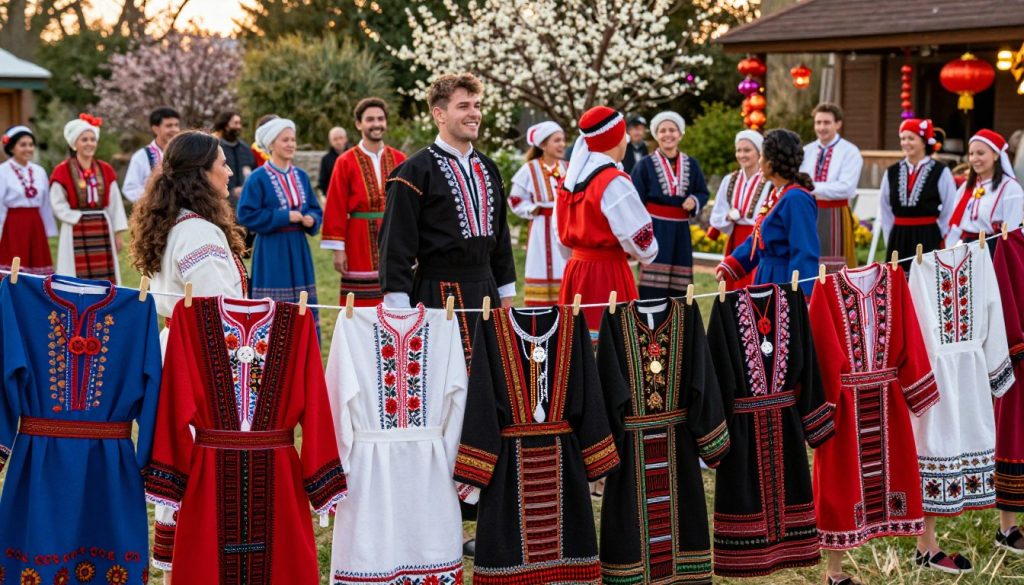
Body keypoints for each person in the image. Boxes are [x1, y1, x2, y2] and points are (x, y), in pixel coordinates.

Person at [379, 72, 516, 361]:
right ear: (439, 114)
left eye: (477, 105)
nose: (474, 114)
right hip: (436, 296)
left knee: (487, 384)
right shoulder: (413, 172)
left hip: (486, 291)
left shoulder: (489, 169)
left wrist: (506, 295)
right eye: (464, 106)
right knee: (442, 385)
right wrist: (399, 310)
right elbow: (395, 245)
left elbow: (501, 239)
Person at [556, 105, 658, 337]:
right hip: (607, 272)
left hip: (575, 270)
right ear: (617, 139)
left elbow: (558, 231)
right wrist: (645, 254)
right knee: (612, 344)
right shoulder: (613, 182)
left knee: (577, 341)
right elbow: (641, 239)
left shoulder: (569, 180)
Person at [237, 118, 323, 333]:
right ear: (271, 144)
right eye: (285, 140)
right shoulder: (257, 178)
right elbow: (246, 214)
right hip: (272, 249)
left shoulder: (301, 176)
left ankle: (303, 346)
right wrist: (285, 217)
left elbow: (314, 207)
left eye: (293, 140)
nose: (291, 144)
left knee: (302, 303)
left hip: (298, 247)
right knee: (274, 304)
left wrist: (311, 218)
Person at [321, 98, 406, 306]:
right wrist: (338, 249)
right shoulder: (345, 161)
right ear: (359, 124)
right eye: (370, 119)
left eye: (380, 119)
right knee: (360, 305)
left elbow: (409, 206)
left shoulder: (400, 159)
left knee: (396, 296)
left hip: (394, 237)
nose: (376, 124)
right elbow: (336, 205)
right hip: (358, 238)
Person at [716, 129, 820, 298]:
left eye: (761, 156)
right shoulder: (778, 194)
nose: (759, 161)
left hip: (782, 280)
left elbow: (804, 251)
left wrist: (800, 297)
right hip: (766, 276)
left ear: (771, 163)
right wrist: (732, 263)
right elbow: (760, 238)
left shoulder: (796, 199)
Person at [631, 111, 709, 299]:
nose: (668, 134)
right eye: (663, 130)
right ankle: (651, 320)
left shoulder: (692, 164)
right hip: (655, 230)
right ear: (656, 135)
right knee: (652, 287)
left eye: (672, 130)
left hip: (681, 231)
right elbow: (634, 200)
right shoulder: (644, 165)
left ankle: (678, 323)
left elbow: (702, 191)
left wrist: (695, 200)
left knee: (679, 290)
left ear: (680, 134)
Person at [49, 114, 128, 284]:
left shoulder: (105, 169)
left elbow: (115, 203)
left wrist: (117, 234)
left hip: (101, 226)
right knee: (75, 275)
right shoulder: (62, 171)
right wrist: (74, 217)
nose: (89, 144)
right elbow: (57, 202)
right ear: (74, 144)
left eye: (92, 139)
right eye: (84, 139)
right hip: (75, 226)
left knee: (105, 274)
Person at [878, 119, 956, 273]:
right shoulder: (892, 172)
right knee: (899, 284)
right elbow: (885, 208)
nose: (906, 143)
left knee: (927, 284)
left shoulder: (940, 171)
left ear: (924, 142)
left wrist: (940, 235)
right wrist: (891, 238)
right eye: (903, 138)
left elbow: (950, 206)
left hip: (928, 236)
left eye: (911, 138)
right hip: (898, 237)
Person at [508, 120, 567, 306]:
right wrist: (532, 209)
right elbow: (515, 199)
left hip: (565, 227)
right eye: (557, 140)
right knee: (541, 265)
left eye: (563, 140)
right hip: (541, 227)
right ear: (543, 145)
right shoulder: (529, 169)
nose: (562, 145)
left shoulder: (568, 167)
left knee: (565, 266)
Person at [799, 103, 863, 273]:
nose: (821, 127)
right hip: (808, 212)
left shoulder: (850, 151)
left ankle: (837, 299)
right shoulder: (806, 151)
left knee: (836, 266)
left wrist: (811, 187)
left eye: (826, 122)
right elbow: (798, 181)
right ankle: (808, 297)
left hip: (836, 213)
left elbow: (846, 188)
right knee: (808, 260)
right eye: (818, 122)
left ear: (838, 124)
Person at [707, 129, 772, 290]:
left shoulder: (769, 180)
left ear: (759, 153)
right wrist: (728, 217)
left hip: (759, 239)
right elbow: (717, 214)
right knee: (734, 288)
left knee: (754, 284)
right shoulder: (730, 179)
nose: (742, 154)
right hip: (736, 239)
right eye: (739, 150)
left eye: (747, 150)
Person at [946, 129, 1024, 254]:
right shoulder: (966, 188)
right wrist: (948, 251)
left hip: (995, 250)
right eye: (971, 154)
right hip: (966, 250)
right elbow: (956, 225)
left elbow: (1012, 232)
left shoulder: (1010, 188)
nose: (974, 158)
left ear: (996, 155)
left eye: (980, 153)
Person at [0, 125, 56, 276]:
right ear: (11, 147)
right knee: (15, 268)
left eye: (31, 145)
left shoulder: (39, 171)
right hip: (13, 226)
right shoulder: (3, 171)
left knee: (37, 270)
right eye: (23, 145)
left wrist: (47, 229)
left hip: (35, 224)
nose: (28, 149)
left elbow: (45, 204)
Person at [122, 107, 181, 203]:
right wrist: (151, 195)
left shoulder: (184, 153)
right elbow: (129, 189)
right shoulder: (141, 157)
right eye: (169, 126)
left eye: (176, 125)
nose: (174, 129)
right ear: (156, 129)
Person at [211, 110, 255, 206]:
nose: (239, 127)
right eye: (235, 123)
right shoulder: (215, 148)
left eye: (240, 123)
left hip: (245, 201)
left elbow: (253, 171)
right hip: (221, 202)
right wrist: (231, 190)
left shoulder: (246, 149)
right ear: (226, 126)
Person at [318, 126, 350, 196]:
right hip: (335, 197)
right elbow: (323, 183)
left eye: (341, 138)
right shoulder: (326, 160)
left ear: (346, 139)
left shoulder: (354, 156)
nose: (338, 142)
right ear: (330, 142)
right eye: (335, 139)